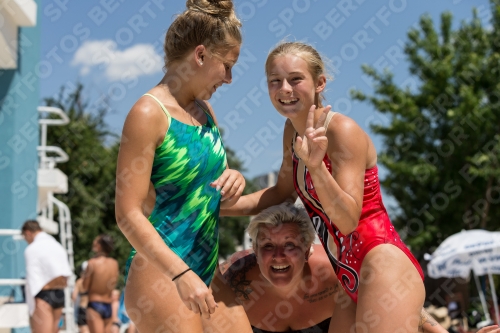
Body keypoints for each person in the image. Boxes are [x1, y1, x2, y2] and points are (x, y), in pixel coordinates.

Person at [221, 41, 427, 332]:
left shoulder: (342, 131)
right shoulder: (292, 131)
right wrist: (215, 207)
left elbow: (347, 219)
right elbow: (281, 193)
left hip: (379, 262)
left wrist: (316, 167)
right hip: (347, 274)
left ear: (319, 83)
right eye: (275, 81)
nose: (284, 89)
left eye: (295, 79)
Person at [114, 0, 245, 331]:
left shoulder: (206, 113)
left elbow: (207, 194)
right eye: (227, 66)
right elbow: (127, 214)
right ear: (200, 56)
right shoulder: (147, 113)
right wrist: (181, 273)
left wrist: (234, 177)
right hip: (161, 274)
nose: (230, 79)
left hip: (207, 267)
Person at [212, 203, 468, 333]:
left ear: (308, 248)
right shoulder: (236, 279)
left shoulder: (335, 271)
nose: (278, 256)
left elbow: (390, 299)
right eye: (267, 246)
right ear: (255, 250)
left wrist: (440, 330)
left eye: (289, 244)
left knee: (359, 292)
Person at [21, 220, 72, 333]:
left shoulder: (32, 249)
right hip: (60, 294)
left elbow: (32, 281)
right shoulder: (57, 245)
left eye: (25, 237)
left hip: (43, 296)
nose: (26, 241)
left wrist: (31, 307)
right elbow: (65, 275)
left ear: (28, 233)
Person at [82, 235, 119, 333]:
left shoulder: (92, 263)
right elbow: (113, 284)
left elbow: (84, 287)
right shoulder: (114, 264)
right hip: (108, 305)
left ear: (99, 246)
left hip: (95, 304)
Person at [72, 261, 89, 333]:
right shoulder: (93, 281)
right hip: (92, 308)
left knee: (83, 330)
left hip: (82, 308)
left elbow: (73, 296)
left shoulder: (79, 282)